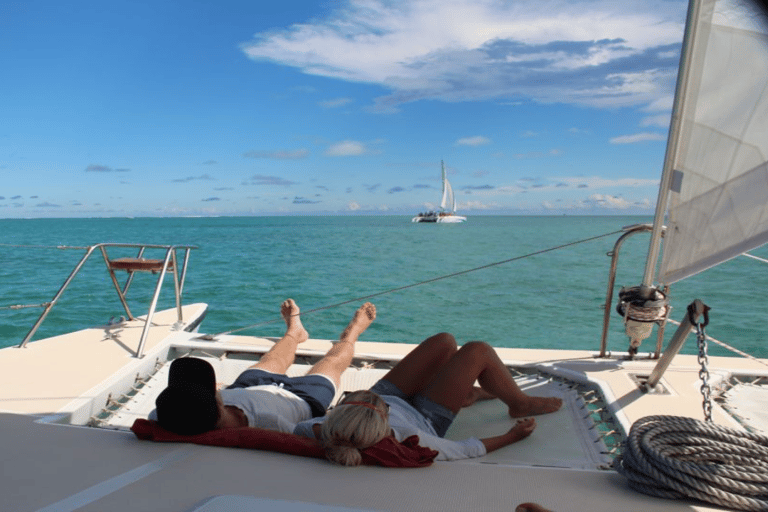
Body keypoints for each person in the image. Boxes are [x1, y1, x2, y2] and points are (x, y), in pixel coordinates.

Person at [293, 329, 563, 465]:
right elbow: (465, 449)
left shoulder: (320, 430)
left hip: (379, 403)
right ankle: (519, 403)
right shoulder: (411, 435)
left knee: (445, 342)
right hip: (425, 415)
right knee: (476, 350)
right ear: (386, 428)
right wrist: (513, 436)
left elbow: (298, 429)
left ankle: (467, 393)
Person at [150, 299, 376, 435]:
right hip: (302, 400)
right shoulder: (271, 424)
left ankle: (294, 333)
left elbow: (157, 416)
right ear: (216, 400)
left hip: (247, 388)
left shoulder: (165, 413)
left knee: (274, 360)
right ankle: (351, 334)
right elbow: (307, 433)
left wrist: (222, 391)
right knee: (332, 364)